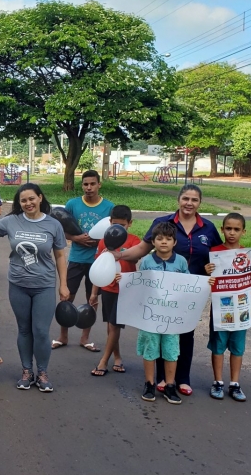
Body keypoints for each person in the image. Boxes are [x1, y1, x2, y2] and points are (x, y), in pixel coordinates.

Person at [115, 184, 222, 396]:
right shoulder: (162, 224)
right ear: (179, 200)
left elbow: (219, 255)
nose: (189, 203)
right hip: (159, 295)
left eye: (194, 200)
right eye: (186, 198)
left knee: (185, 333)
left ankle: (182, 379)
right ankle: (163, 378)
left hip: (190, 291)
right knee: (160, 330)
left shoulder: (208, 228)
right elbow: (143, 250)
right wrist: (118, 256)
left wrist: (215, 270)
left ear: (200, 203)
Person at [0, 183, 69, 392]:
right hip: (18, 284)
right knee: (24, 330)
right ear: (19, 203)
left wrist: (63, 285)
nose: (28, 203)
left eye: (31, 199)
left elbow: (60, 256)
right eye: (23, 200)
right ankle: (26, 371)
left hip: (44, 285)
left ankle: (43, 372)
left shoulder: (53, 224)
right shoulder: (11, 221)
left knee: (40, 331)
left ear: (39, 198)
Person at [204, 213, 251, 402]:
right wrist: (207, 273)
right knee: (218, 347)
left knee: (238, 348)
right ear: (222, 229)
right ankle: (218, 381)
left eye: (236, 229)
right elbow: (208, 280)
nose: (232, 233)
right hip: (221, 309)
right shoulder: (215, 252)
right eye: (228, 228)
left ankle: (235, 384)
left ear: (243, 232)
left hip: (242, 310)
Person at [53, 170, 114, 352]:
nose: (89, 188)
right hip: (76, 258)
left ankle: (85, 338)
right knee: (67, 297)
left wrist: (97, 241)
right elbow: (60, 229)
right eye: (85, 184)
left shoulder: (109, 207)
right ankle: (63, 336)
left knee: (92, 299)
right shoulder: (72, 204)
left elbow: (112, 233)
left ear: (99, 184)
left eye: (92, 184)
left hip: (98, 261)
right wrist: (77, 238)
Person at [135, 222, 189, 404]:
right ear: (153, 241)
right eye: (159, 239)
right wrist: (125, 281)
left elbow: (189, 285)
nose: (163, 242)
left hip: (172, 317)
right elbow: (139, 285)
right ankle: (149, 383)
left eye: (168, 239)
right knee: (150, 349)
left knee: (171, 351)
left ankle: (170, 385)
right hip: (151, 316)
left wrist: (206, 284)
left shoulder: (181, 261)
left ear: (174, 242)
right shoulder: (147, 262)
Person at [89, 205, 140, 377]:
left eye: (122, 226)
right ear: (109, 222)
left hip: (126, 290)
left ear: (130, 224)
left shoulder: (134, 241)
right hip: (107, 288)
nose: (118, 229)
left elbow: (136, 256)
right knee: (110, 325)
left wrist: (121, 254)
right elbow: (98, 268)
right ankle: (117, 356)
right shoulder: (104, 241)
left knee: (115, 325)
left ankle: (103, 361)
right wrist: (94, 293)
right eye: (114, 225)